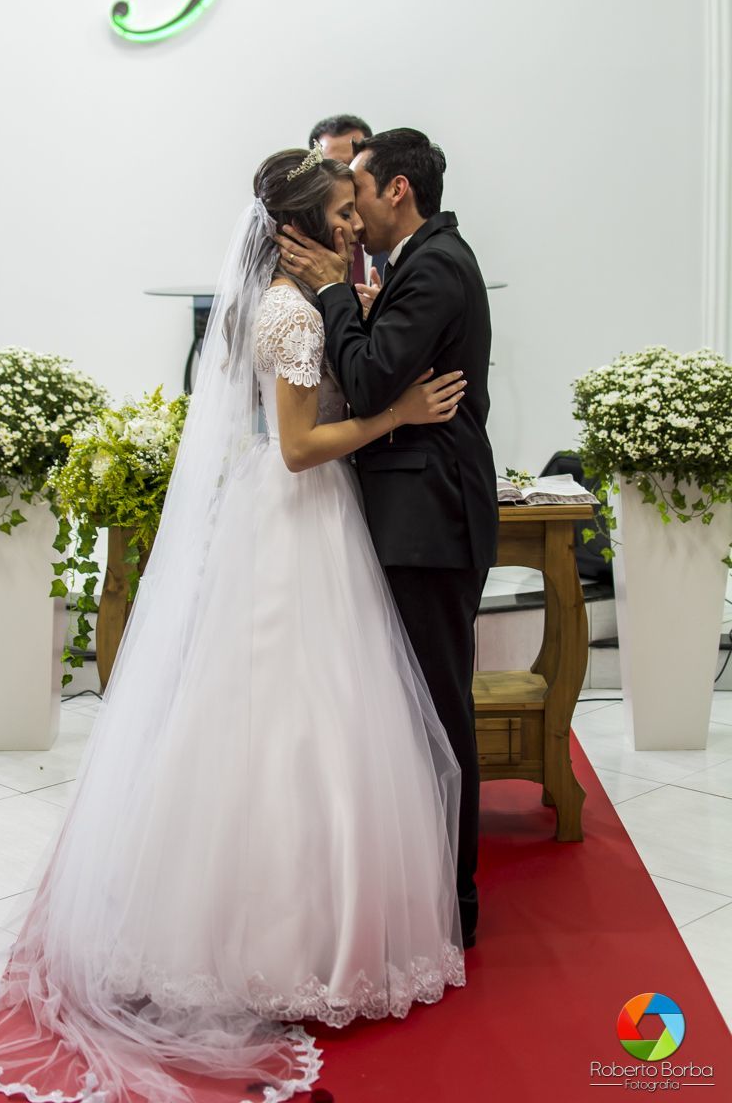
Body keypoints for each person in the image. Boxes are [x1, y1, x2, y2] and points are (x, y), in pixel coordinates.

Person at [0, 148, 467, 1103]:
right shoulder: (290, 311)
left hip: (296, 520)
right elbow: (298, 446)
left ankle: (288, 924)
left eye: (356, 209)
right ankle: (284, 938)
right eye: (341, 211)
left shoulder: (275, 301)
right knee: (294, 719)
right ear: (300, 227)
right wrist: (398, 415)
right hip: (300, 517)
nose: (354, 225)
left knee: (296, 719)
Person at [276, 128, 498, 948]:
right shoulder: (423, 261)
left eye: (359, 194)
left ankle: (454, 900)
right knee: (410, 709)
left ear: (397, 190)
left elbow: (370, 380)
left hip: (429, 520)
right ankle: (418, 886)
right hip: (414, 514)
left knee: (438, 709)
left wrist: (334, 293)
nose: (352, 216)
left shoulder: (434, 266)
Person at [307, 114, 388, 301]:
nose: (345, 177)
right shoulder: (303, 250)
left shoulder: (393, 234)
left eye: (353, 165)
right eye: (333, 167)